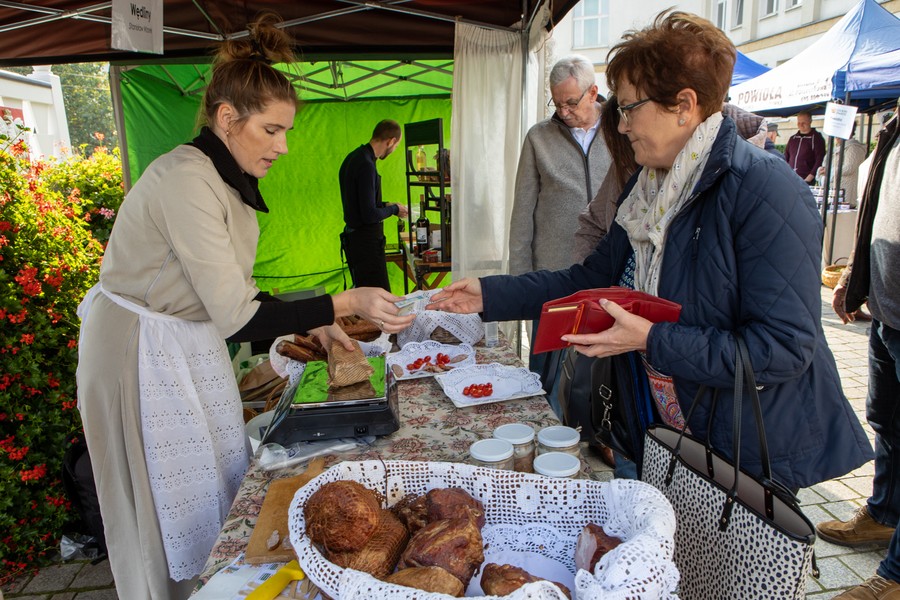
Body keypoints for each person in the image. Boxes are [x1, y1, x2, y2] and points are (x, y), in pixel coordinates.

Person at [427, 10, 872, 492]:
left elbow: (783, 349)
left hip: (743, 448)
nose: (620, 126)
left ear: (684, 105)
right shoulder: (647, 187)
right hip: (665, 428)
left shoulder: (765, 190)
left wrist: (651, 339)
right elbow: (586, 282)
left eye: (630, 108)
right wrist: (490, 294)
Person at [75, 15, 414, 599]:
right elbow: (240, 315)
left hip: (182, 340)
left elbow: (240, 294)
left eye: (287, 132)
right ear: (228, 120)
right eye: (272, 130)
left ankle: (215, 584)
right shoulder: (186, 178)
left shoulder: (217, 176)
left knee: (210, 484)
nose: (284, 147)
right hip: (140, 352)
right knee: (162, 497)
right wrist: (345, 298)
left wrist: (324, 322)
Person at [817, 107, 900, 600]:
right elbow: (875, 206)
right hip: (889, 306)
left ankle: (895, 577)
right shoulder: (893, 124)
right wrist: (854, 272)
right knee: (886, 422)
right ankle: (885, 514)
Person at [508, 54, 612, 415]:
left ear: (593, 92)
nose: (564, 111)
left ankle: (594, 434)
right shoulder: (539, 137)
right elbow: (522, 211)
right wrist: (521, 280)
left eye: (571, 102)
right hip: (552, 275)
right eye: (557, 103)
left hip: (605, 273)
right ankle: (546, 432)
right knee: (546, 370)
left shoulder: (620, 131)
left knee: (598, 368)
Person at [339, 119, 409, 291]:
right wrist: (394, 209)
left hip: (355, 241)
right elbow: (369, 214)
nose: (394, 150)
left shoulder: (354, 157)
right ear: (391, 141)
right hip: (366, 245)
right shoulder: (366, 165)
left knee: (365, 298)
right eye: (396, 145)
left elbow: (361, 202)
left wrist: (386, 204)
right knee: (379, 297)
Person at [817, 129, 868, 208]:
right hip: (833, 193)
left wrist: (830, 171)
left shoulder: (854, 147)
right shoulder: (836, 148)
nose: (837, 137)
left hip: (846, 193)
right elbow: (825, 163)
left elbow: (849, 167)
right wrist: (822, 169)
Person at [784, 109, 827, 184]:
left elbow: (819, 160)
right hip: (790, 179)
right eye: (799, 122)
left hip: (806, 180)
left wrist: (809, 178)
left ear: (810, 121)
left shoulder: (817, 139)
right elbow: (786, 157)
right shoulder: (793, 139)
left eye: (804, 122)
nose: (801, 125)